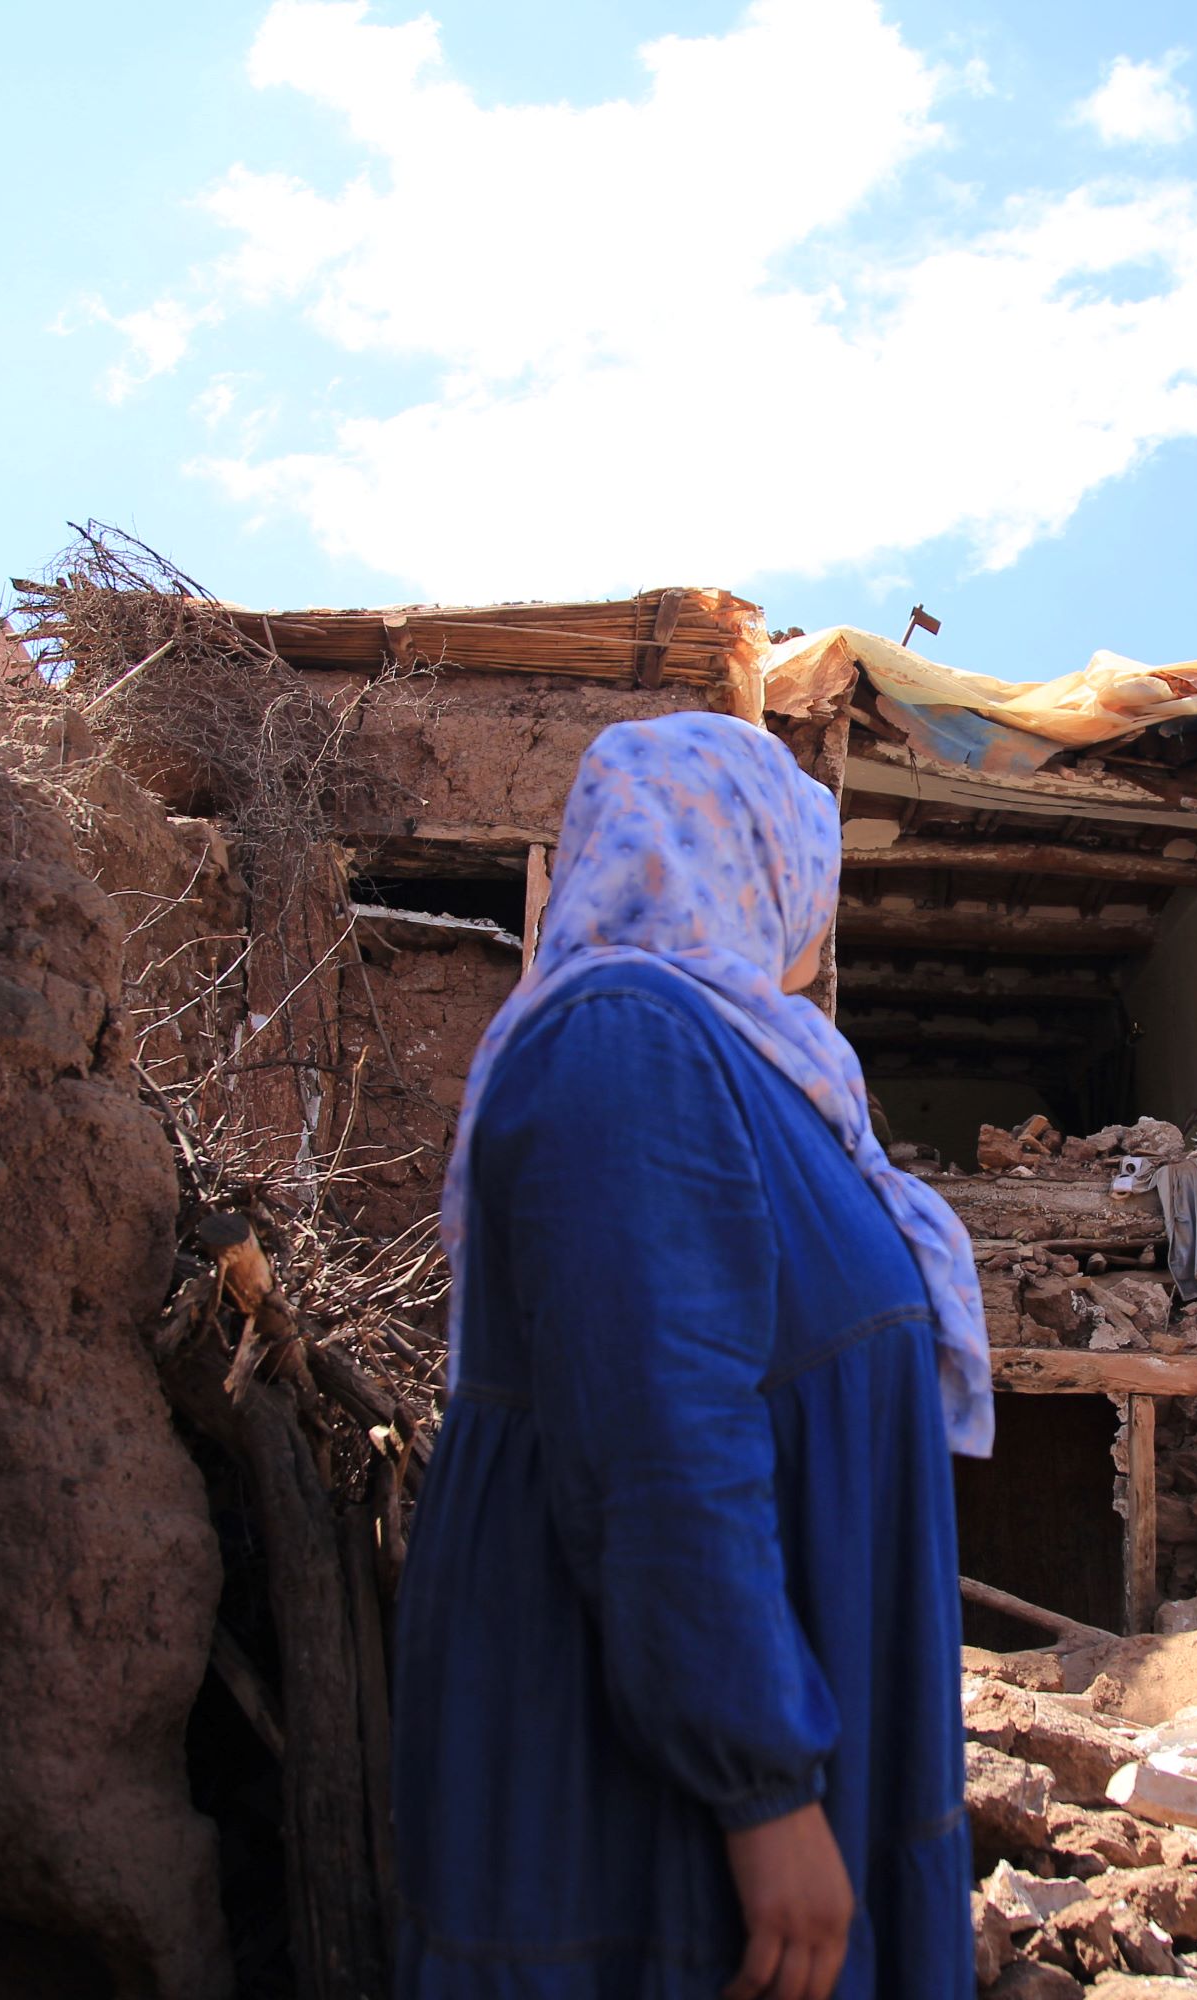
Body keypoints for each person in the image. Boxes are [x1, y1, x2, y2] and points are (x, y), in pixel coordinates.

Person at [394, 712, 995, 2000]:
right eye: (808, 862)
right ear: (749, 849)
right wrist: (764, 1789)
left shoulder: (759, 1066)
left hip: (759, 1748)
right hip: (657, 1801)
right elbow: (661, 1441)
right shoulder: (625, 1038)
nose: (815, 905)